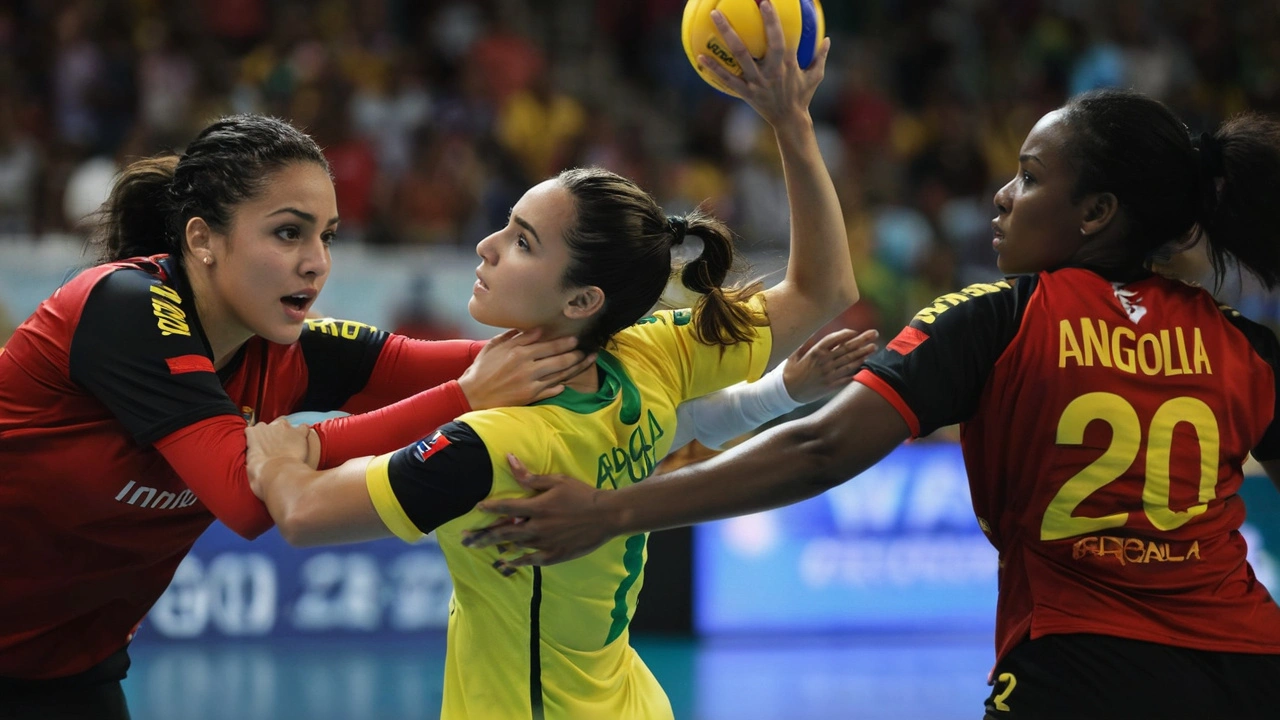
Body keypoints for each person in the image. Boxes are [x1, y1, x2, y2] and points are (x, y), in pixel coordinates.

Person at [467, 89, 1280, 719]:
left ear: (1097, 213)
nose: (1001, 195)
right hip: (1253, 665)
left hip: (1083, 667)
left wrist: (611, 513)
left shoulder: (998, 319)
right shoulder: (1249, 346)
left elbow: (821, 449)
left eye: (1030, 178)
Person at [244, 5, 857, 718]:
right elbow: (824, 290)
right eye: (506, 225)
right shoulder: (650, 354)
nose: (487, 247)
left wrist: (276, 455)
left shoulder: (504, 444)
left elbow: (304, 514)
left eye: (523, 242)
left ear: (581, 301)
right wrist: (793, 122)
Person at [0, 114, 589, 719]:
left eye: (327, 236)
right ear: (202, 240)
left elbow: (475, 364)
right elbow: (248, 498)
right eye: (288, 234)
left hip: (71, 674)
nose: (316, 262)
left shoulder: (287, 351)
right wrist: (464, 399)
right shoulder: (123, 307)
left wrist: (613, 329)